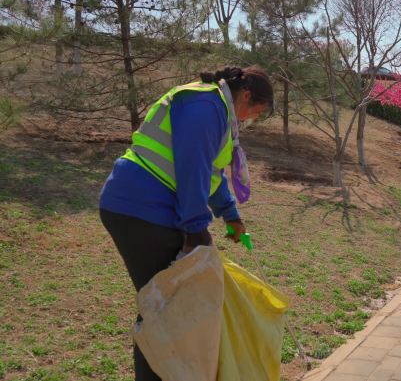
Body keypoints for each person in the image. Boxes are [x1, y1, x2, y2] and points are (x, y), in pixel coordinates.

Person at [99, 66, 274, 381]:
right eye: (256, 112)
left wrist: (231, 215)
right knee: (165, 309)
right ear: (246, 95)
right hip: (140, 209)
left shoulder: (216, 111)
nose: (252, 119)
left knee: (167, 305)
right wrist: (196, 231)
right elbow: (191, 170)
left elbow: (211, 173)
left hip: (148, 210)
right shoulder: (205, 106)